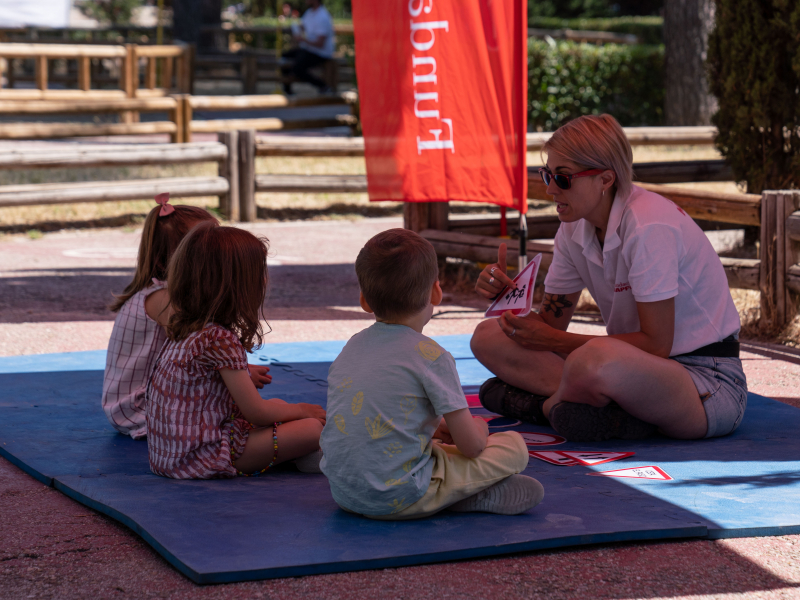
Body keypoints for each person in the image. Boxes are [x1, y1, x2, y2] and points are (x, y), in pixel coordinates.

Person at [471, 114, 747, 443]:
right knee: (487, 335)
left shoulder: (648, 225)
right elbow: (549, 326)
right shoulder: (573, 227)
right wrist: (507, 302)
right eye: (547, 174)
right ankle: (590, 409)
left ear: (604, 179)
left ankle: (545, 407)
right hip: (632, 368)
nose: (548, 189)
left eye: (562, 178)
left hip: (706, 382)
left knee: (593, 360)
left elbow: (657, 345)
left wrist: (554, 343)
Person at [320, 229, 544, 519]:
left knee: (432, 445)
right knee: (513, 446)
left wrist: (435, 425)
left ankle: (449, 493)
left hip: (344, 494)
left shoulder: (351, 346)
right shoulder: (432, 356)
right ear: (436, 292)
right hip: (401, 497)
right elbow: (472, 446)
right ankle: (463, 495)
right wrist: (479, 426)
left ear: (364, 300)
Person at [145, 222, 326, 478]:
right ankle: (306, 454)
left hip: (170, 455)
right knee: (311, 428)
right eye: (259, 272)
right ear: (238, 285)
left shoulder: (185, 324)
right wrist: (301, 410)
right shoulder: (219, 338)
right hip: (200, 458)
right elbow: (257, 413)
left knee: (279, 405)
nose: (264, 279)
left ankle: (296, 452)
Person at [102, 196, 271, 439]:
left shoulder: (162, 293)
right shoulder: (165, 300)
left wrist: (235, 371)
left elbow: (188, 358)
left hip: (144, 398)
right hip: (139, 408)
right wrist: (236, 374)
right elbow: (205, 352)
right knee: (251, 419)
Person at [281, 0, 334, 95]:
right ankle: (287, 90)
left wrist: (303, 40)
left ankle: (323, 86)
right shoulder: (309, 12)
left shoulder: (323, 17)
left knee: (297, 67)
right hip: (309, 49)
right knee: (284, 57)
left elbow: (320, 44)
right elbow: (302, 26)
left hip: (320, 53)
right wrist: (295, 28)